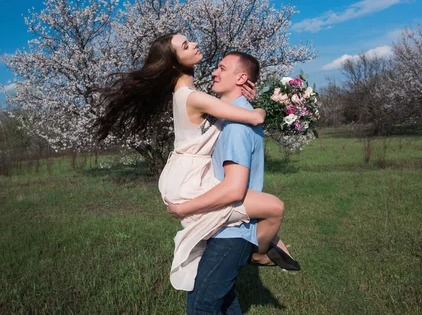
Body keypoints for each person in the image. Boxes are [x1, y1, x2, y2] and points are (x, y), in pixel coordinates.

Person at [95, 33, 294, 292]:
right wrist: (259, 110)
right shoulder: (192, 97)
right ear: (175, 63)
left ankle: (260, 248)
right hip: (188, 180)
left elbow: (228, 113)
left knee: (258, 213)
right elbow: (254, 119)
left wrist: (249, 103)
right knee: (273, 207)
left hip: (187, 173)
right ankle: (259, 253)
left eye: (190, 41)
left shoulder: (191, 96)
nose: (195, 44)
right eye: (186, 46)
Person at [167, 50, 299, 313]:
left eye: (221, 68)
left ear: (240, 78)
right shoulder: (236, 116)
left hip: (229, 234)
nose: (214, 72)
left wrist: (184, 208)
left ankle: (264, 250)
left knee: (201, 307)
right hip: (230, 229)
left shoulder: (235, 127)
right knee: (226, 303)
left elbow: (234, 188)